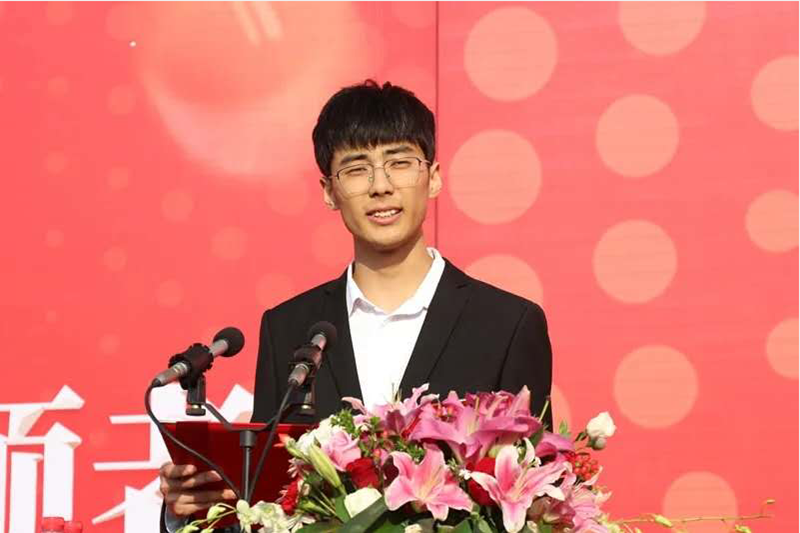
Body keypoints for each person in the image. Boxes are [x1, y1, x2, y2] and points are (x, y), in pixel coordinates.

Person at [159, 80, 553, 531]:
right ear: (329, 190)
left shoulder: (507, 325)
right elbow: (268, 506)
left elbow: (534, 499)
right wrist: (188, 510)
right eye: (356, 169)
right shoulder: (289, 328)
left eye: (400, 163)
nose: (380, 186)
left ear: (434, 176)